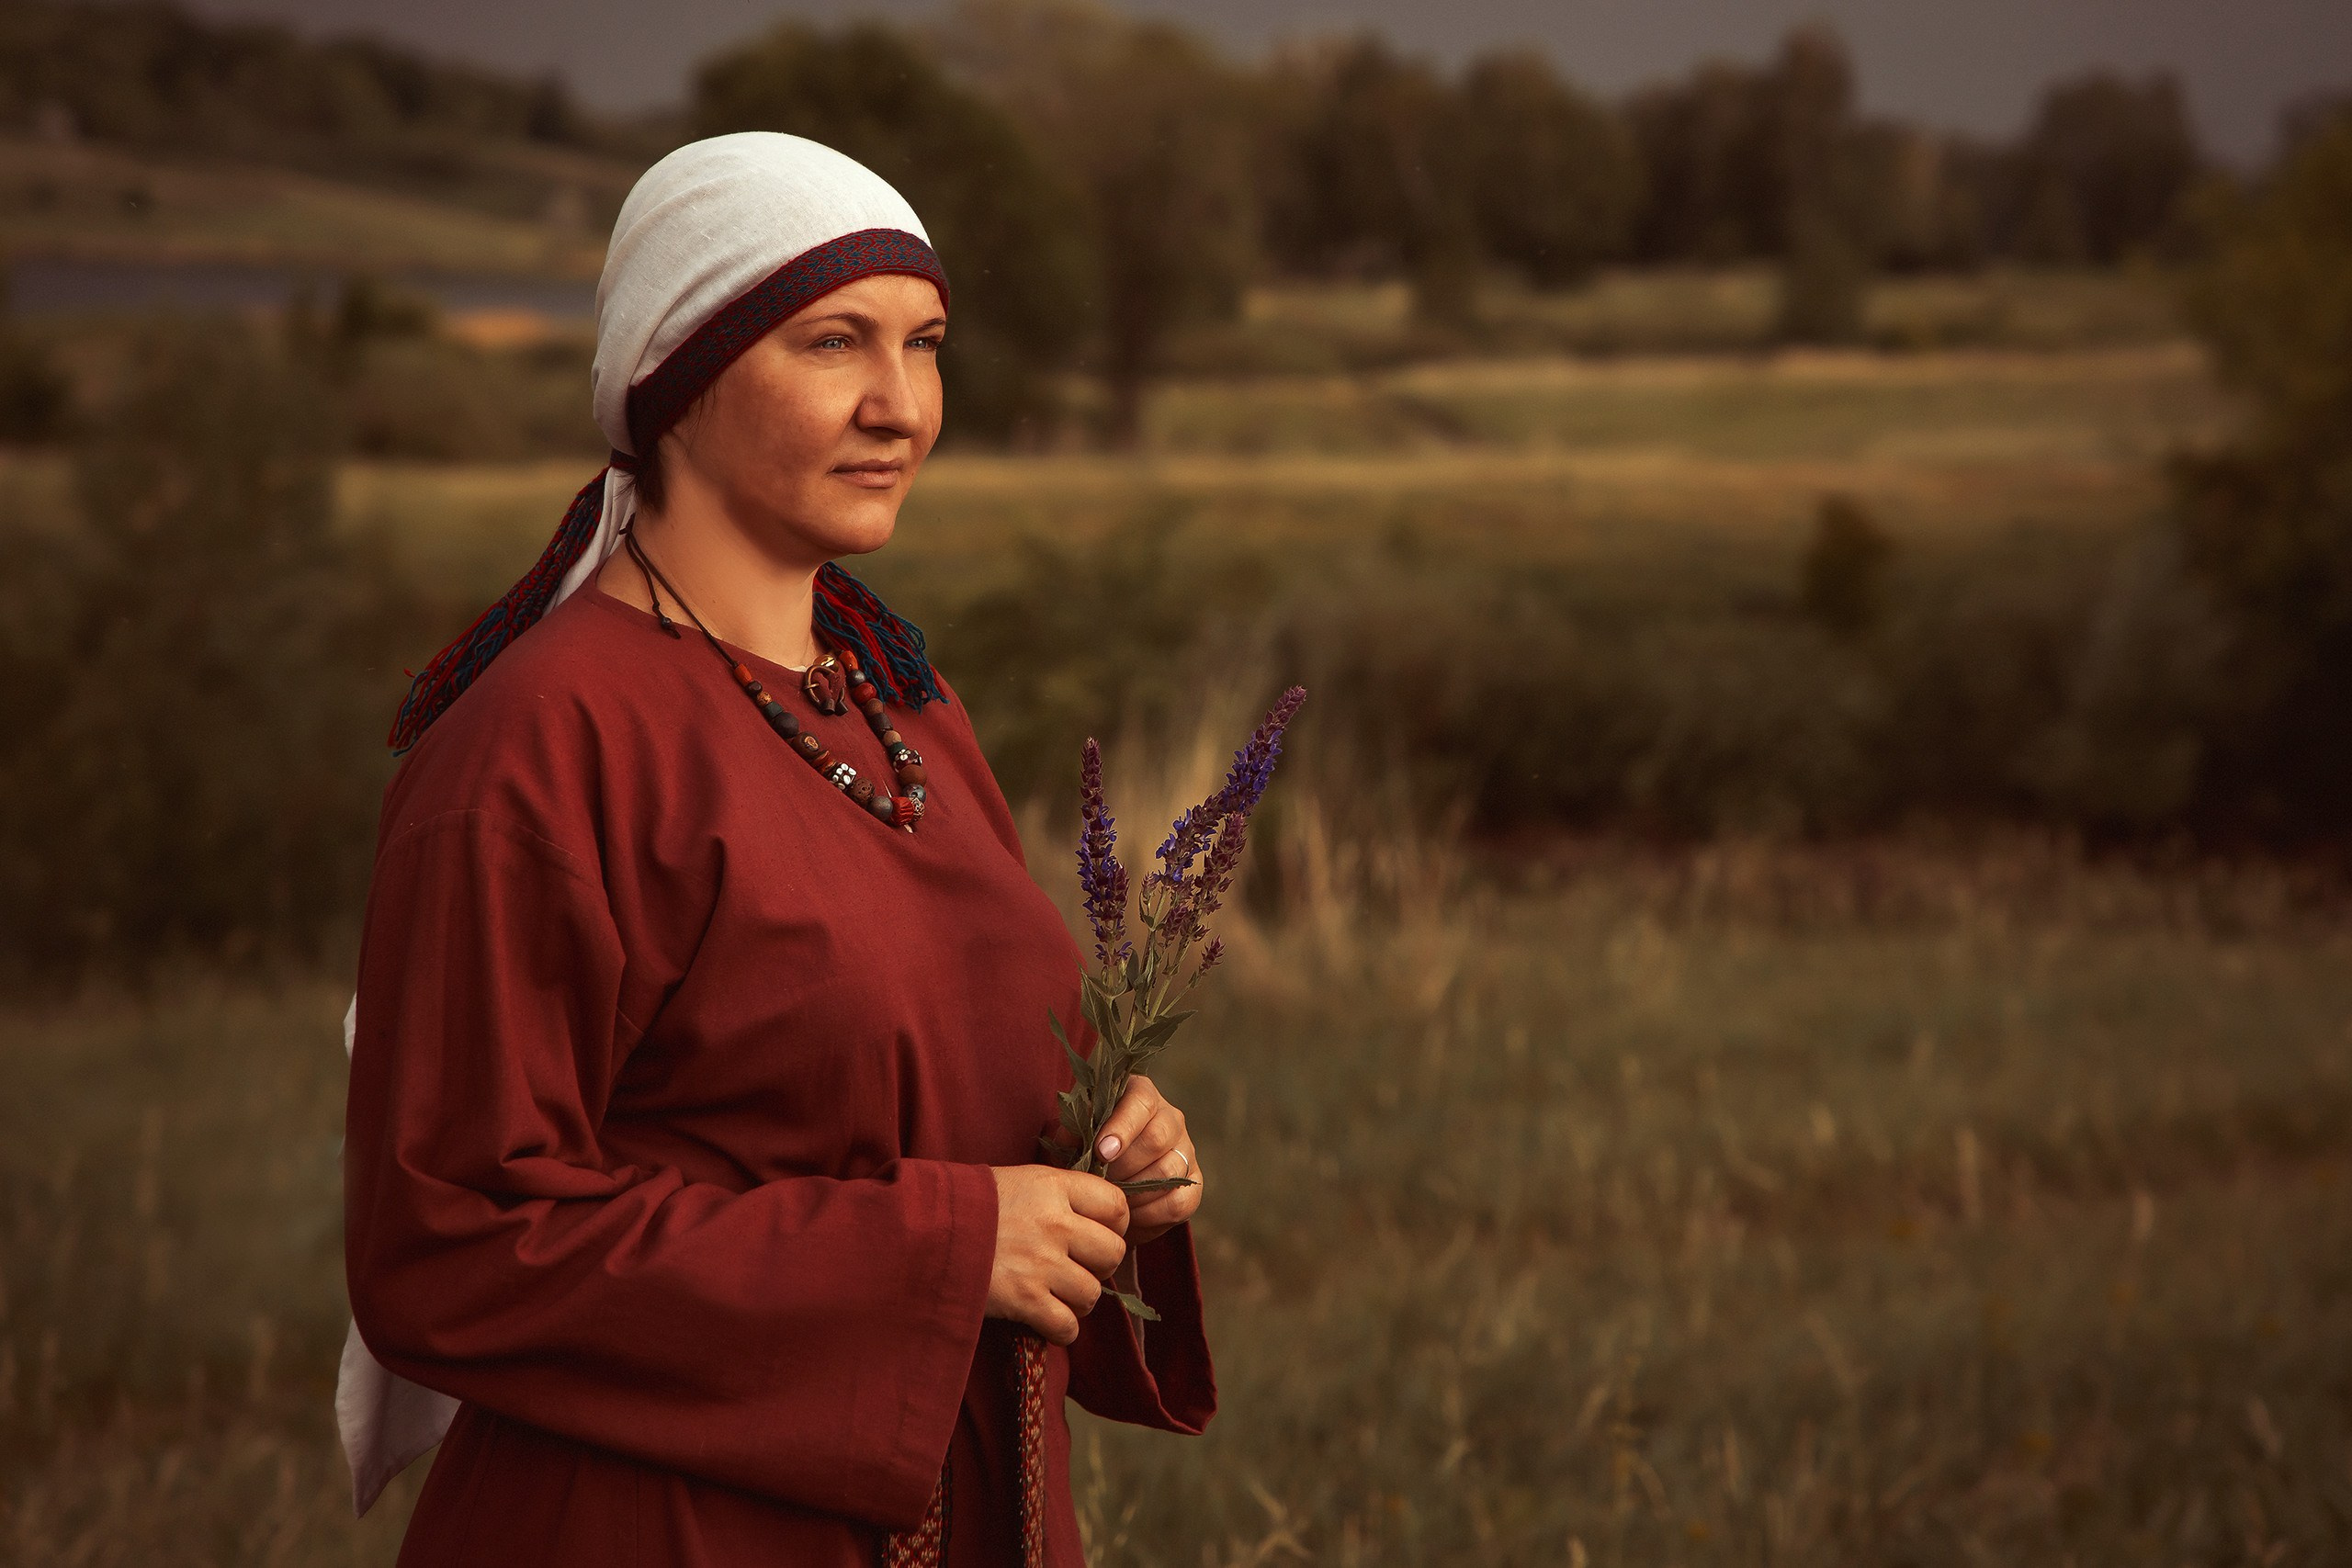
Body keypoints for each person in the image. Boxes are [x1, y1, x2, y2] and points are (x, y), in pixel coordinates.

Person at [341, 132, 1214, 1568]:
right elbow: (449, 1247)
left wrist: (1115, 1160)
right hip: (660, 1530)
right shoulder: (542, 745)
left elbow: (919, 1087)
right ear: (673, 376)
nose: (902, 407)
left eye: (925, 346)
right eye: (832, 342)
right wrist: (943, 1250)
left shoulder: (903, 702)